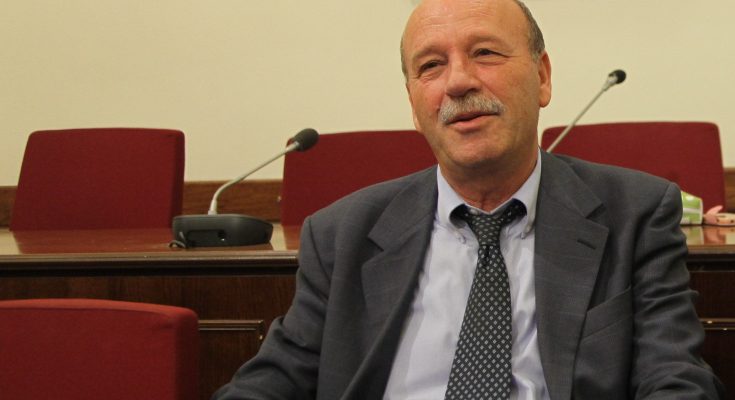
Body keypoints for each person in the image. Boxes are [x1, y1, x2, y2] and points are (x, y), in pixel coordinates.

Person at [213, 0, 724, 398]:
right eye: (431, 65)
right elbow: (272, 382)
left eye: (485, 53)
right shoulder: (341, 234)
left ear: (542, 77)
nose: (458, 82)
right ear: (413, 103)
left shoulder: (634, 213)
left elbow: (676, 380)